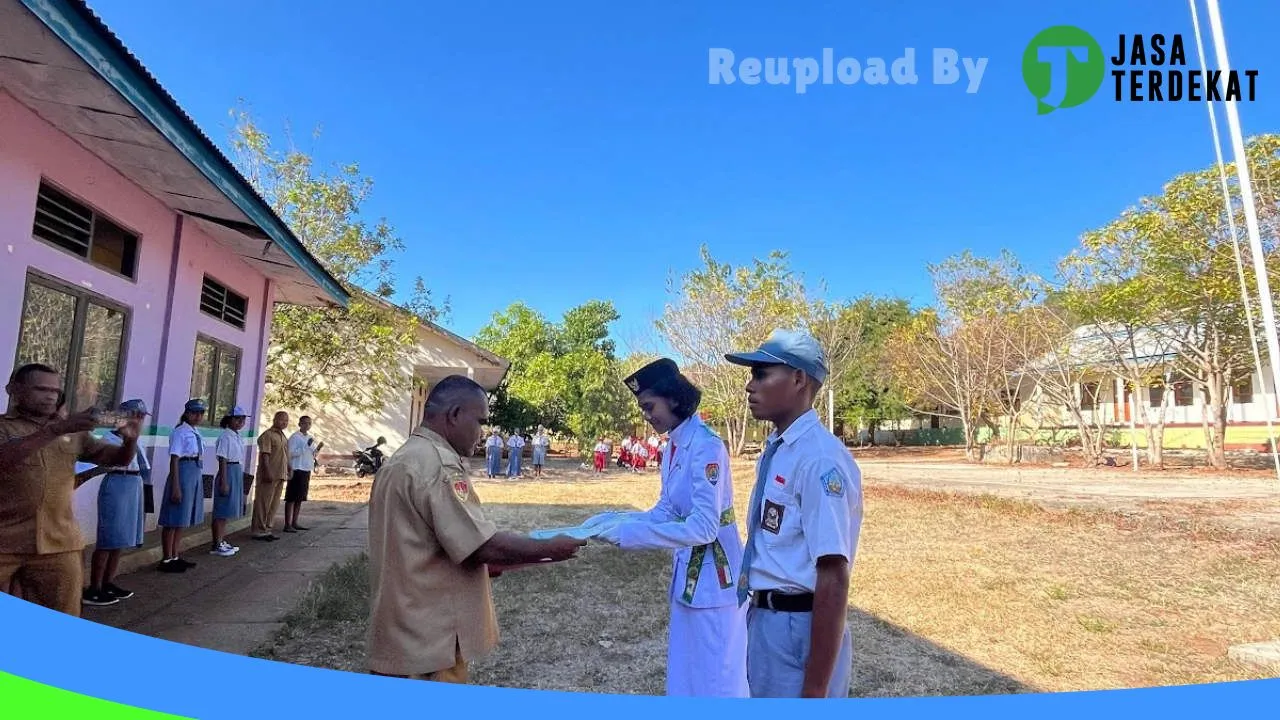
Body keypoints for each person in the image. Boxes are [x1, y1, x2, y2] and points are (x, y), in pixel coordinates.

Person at [366, 375, 586, 682]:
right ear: (454, 415)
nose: (482, 434)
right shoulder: (439, 465)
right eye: (480, 422)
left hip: (402, 625)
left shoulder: (404, 458)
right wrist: (549, 548)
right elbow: (481, 546)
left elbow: (422, 542)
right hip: (431, 637)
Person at [584, 358, 748, 697]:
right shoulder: (674, 444)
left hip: (716, 580)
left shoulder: (706, 445)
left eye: (649, 406)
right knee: (687, 674)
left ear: (673, 398)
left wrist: (632, 535)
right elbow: (667, 509)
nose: (646, 415)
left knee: (717, 678)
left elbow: (704, 526)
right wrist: (618, 519)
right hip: (689, 576)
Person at [724, 328, 863, 698]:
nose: (750, 386)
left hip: (798, 626)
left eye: (761, 373)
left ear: (799, 379)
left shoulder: (819, 460)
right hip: (768, 619)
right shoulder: (781, 449)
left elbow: (833, 574)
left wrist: (815, 689)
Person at [0, 364, 142, 616]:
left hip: (60, 542)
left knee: (63, 614)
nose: (51, 396)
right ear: (14, 389)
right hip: (5, 539)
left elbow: (117, 459)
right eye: (41, 389)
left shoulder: (74, 433)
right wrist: (56, 429)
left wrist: (130, 440)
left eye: (55, 390)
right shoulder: (5, 427)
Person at [81, 399, 152, 606]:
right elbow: (101, 463)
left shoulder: (137, 439)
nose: (139, 421)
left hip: (133, 485)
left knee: (120, 538)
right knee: (108, 538)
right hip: (117, 484)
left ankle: (108, 582)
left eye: (141, 417)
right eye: (136, 416)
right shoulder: (108, 439)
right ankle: (94, 588)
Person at [158, 399, 208, 573]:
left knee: (182, 518)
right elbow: (174, 459)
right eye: (195, 413)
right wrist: (176, 486)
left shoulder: (195, 431)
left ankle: (175, 555)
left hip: (194, 470)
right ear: (187, 413)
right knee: (173, 517)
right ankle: (166, 558)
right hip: (183, 471)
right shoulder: (180, 432)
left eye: (201, 413)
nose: (198, 416)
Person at [211, 406, 249, 557]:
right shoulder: (225, 437)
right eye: (237, 418)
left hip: (235, 470)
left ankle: (221, 539)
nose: (240, 422)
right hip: (228, 470)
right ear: (229, 419)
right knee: (221, 508)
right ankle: (216, 543)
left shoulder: (236, 435)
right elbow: (223, 459)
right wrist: (224, 481)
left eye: (243, 419)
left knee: (227, 509)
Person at [252, 411, 291, 542]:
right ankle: (259, 530)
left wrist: (289, 468)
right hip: (269, 474)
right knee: (263, 503)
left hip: (280, 474)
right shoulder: (268, 435)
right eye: (281, 420)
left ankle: (268, 529)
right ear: (274, 419)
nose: (284, 422)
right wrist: (267, 471)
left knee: (273, 504)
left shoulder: (283, 436)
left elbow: (285, 455)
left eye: (286, 420)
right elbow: (264, 455)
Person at [285, 415, 323, 533]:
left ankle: (295, 522)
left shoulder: (310, 438)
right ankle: (287, 524)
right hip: (296, 469)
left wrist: (318, 449)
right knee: (291, 497)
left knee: (300, 498)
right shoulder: (295, 437)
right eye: (305, 423)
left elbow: (312, 453)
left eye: (309, 423)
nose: (307, 425)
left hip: (306, 469)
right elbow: (290, 454)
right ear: (299, 424)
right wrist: (304, 447)